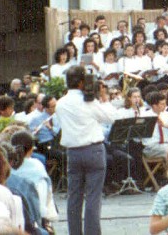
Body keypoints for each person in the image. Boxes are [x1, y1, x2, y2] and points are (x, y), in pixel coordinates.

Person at [55, 65, 117, 235]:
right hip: (93, 150)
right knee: (92, 198)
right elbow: (111, 118)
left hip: (73, 152)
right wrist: (103, 98)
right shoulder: (89, 101)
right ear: (83, 82)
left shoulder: (60, 103)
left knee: (74, 197)